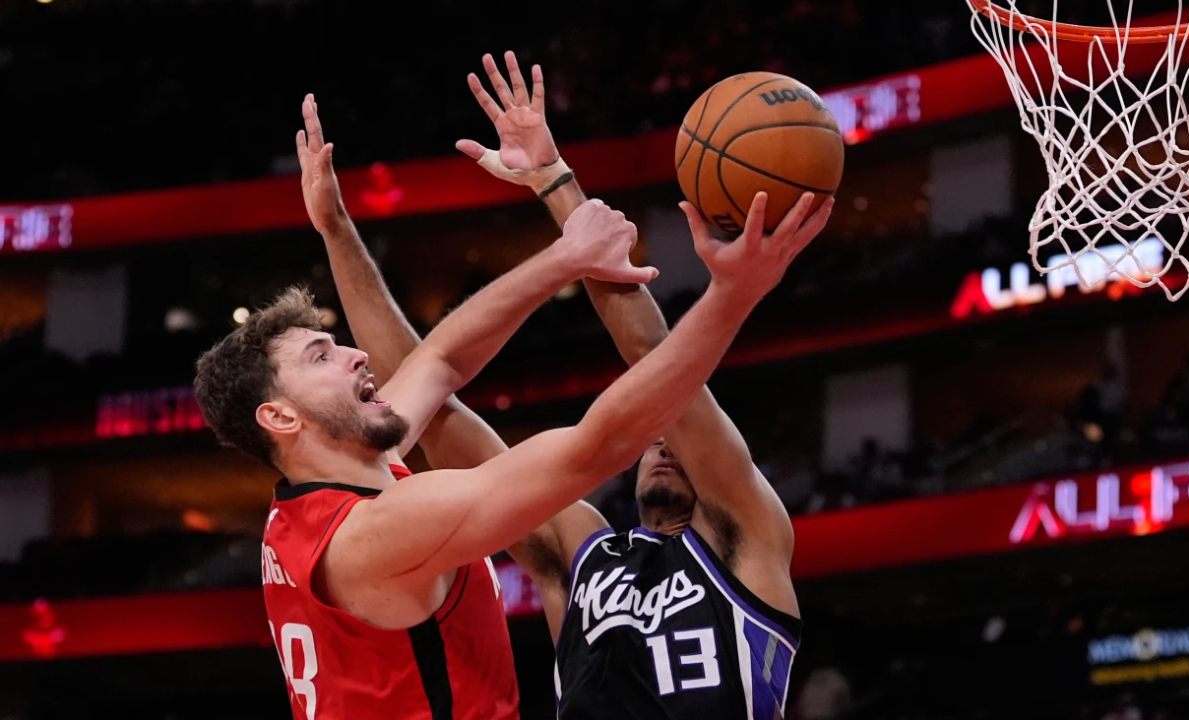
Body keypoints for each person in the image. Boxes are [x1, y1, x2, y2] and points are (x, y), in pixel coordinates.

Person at [194, 84, 821, 720]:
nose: (359, 358)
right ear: (279, 416)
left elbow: (435, 368)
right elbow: (604, 434)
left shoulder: (747, 537)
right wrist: (730, 295)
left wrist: (339, 227)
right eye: (322, 357)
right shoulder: (545, 547)